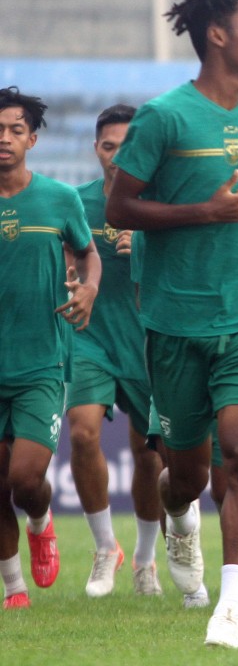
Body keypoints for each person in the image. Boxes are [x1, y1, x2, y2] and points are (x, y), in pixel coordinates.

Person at [105, 0, 238, 649]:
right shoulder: (164, 117)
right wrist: (201, 212)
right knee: (184, 476)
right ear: (218, 35)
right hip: (174, 321)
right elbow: (118, 208)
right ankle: (179, 520)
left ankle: (230, 609)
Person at [0, 86, 100, 610]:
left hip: (41, 361)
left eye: (15, 129)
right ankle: (14, 589)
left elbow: (88, 253)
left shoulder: (60, 199)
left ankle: (40, 521)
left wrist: (89, 287)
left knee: (23, 479)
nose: (5, 138)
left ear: (32, 139)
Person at [66, 104, 165, 598]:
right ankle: (106, 547)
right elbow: (59, 262)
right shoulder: (75, 203)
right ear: (96, 149)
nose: (116, 157)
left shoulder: (162, 207)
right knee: (82, 431)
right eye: (108, 147)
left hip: (150, 342)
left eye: (127, 148)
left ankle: (145, 559)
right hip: (91, 338)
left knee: (148, 459)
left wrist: (147, 244)